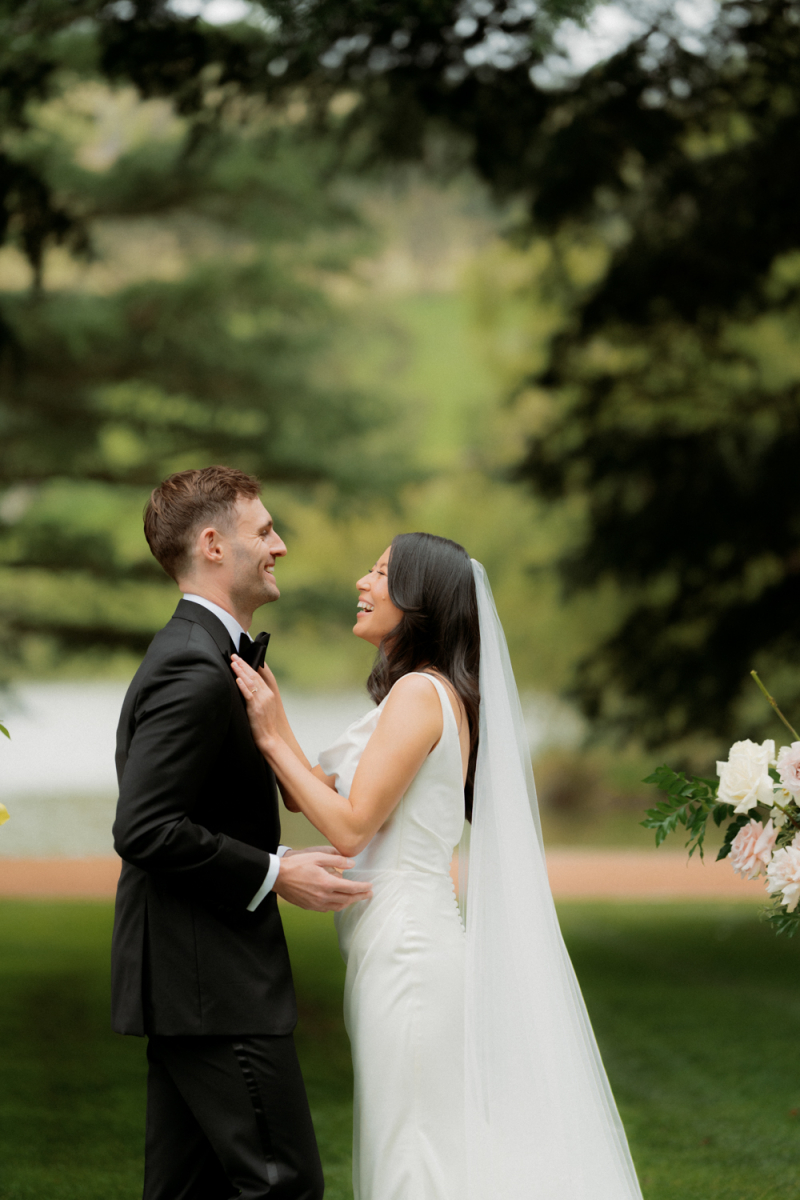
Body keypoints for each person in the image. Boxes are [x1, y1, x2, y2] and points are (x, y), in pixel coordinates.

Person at [231, 532, 645, 1200]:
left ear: (419, 599)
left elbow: (349, 826)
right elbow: (310, 792)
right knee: (413, 1137)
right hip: (392, 941)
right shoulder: (413, 695)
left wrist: (268, 736)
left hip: (410, 951)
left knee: (413, 1150)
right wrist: (274, 717)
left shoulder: (421, 694)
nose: (362, 583)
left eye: (380, 574)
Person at [111, 465, 371, 1200]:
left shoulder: (204, 654)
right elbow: (145, 827)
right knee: (282, 1184)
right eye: (265, 531)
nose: (280, 546)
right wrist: (274, 873)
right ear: (213, 545)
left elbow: (190, 815)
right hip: (212, 986)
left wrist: (276, 855)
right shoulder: (193, 668)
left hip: (194, 983)